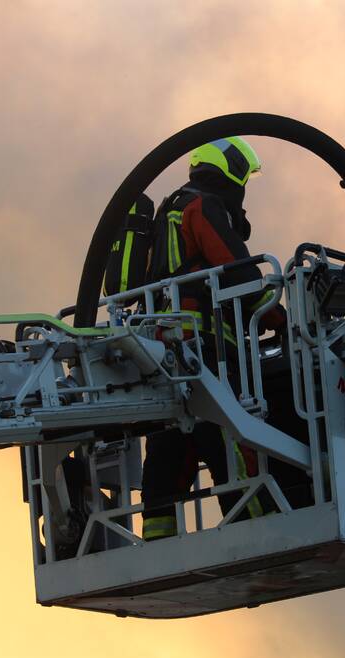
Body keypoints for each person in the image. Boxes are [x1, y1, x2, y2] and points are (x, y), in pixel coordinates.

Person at [141, 137, 287, 541]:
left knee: (170, 441)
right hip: (205, 348)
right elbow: (236, 268)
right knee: (235, 431)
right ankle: (259, 527)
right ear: (232, 171)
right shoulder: (202, 205)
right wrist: (276, 314)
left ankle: (158, 539)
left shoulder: (168, 211)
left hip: (161, 349)